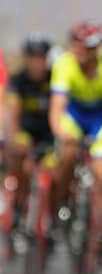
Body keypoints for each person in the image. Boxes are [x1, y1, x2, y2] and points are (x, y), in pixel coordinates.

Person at [49, 20, 102, 266]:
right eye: (76, 45)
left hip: (100, 121)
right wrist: (60, 132)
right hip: (73, 117)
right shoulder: (64, 65)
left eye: (86, 47)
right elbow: (57, 107)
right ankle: (61, 204)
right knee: (68, 154)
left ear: (96, 49)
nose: (79, 51)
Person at [6, 33, 54, 215]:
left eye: (41, 57)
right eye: (32, 57)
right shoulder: (18, 81)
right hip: (26, 133)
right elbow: (13, 113)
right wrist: (13, 139)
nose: (37, 63)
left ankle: (56, 215)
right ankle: (19, 205)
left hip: (49, 135)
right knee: (23, 165)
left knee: (56, 172)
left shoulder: (54, 79)